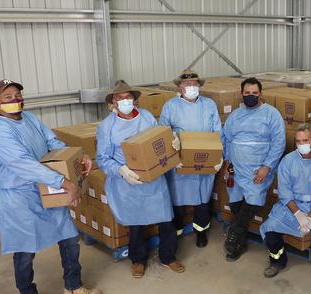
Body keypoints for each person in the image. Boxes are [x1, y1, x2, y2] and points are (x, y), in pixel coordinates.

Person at [0, 79, 103, 294]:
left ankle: (73, 286)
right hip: (21, 196)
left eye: (17, 95)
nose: (15, 100)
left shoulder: (28, 119)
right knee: (25, 251)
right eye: (7, 97)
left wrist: (76, 159)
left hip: (47, 189)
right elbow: (23, 165)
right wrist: (63, 182)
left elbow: (52, 143)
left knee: (69, 238)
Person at [96, 80, 183, 278]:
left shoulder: (146, 116)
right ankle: (138, 260)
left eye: (128, 97)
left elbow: (157, 139)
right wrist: (121, 170)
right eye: (120, 98)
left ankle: (168, 257)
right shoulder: (107, 126)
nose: (125, 100)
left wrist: (172, 141)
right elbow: (102, 158)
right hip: (129, 183)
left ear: (134, 99)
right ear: (113, 102)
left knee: (165, 220)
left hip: (154, 178)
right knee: (135, 224)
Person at [221, 77, 285, 261]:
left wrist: (267, 166)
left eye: (254, 93)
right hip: (237, 168)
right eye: (247, 93)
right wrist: (227, 163)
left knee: (254, 203)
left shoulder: (271, 114)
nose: (251, 96)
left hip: (258, 170)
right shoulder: (235, 116)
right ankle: (239, 237)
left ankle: (234, 237)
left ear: (260, 94)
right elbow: (226, 139)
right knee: (235, 204)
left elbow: (279, 142)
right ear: (242, 94)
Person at [259, 123, 311, 285]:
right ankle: (277, 261)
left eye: (305, 140)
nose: (302, 144)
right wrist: (298, 214)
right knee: (270, 227)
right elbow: (284, 192)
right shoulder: (288, 161)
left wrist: (310, 217)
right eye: (298, 141)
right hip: (291, 207)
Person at [160, 69, 223, 247]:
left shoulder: (209, 104)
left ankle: (201, 231)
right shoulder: (170, 106)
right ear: (180, 86)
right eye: (187, 84)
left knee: (203, 199)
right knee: (177, 199)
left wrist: (219, 155)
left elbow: (218, 130)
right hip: (179, 160)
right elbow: (163, 132)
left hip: (205, 159)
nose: (191, 87)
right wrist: (173, 143)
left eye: (195, 84)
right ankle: (177, 232)